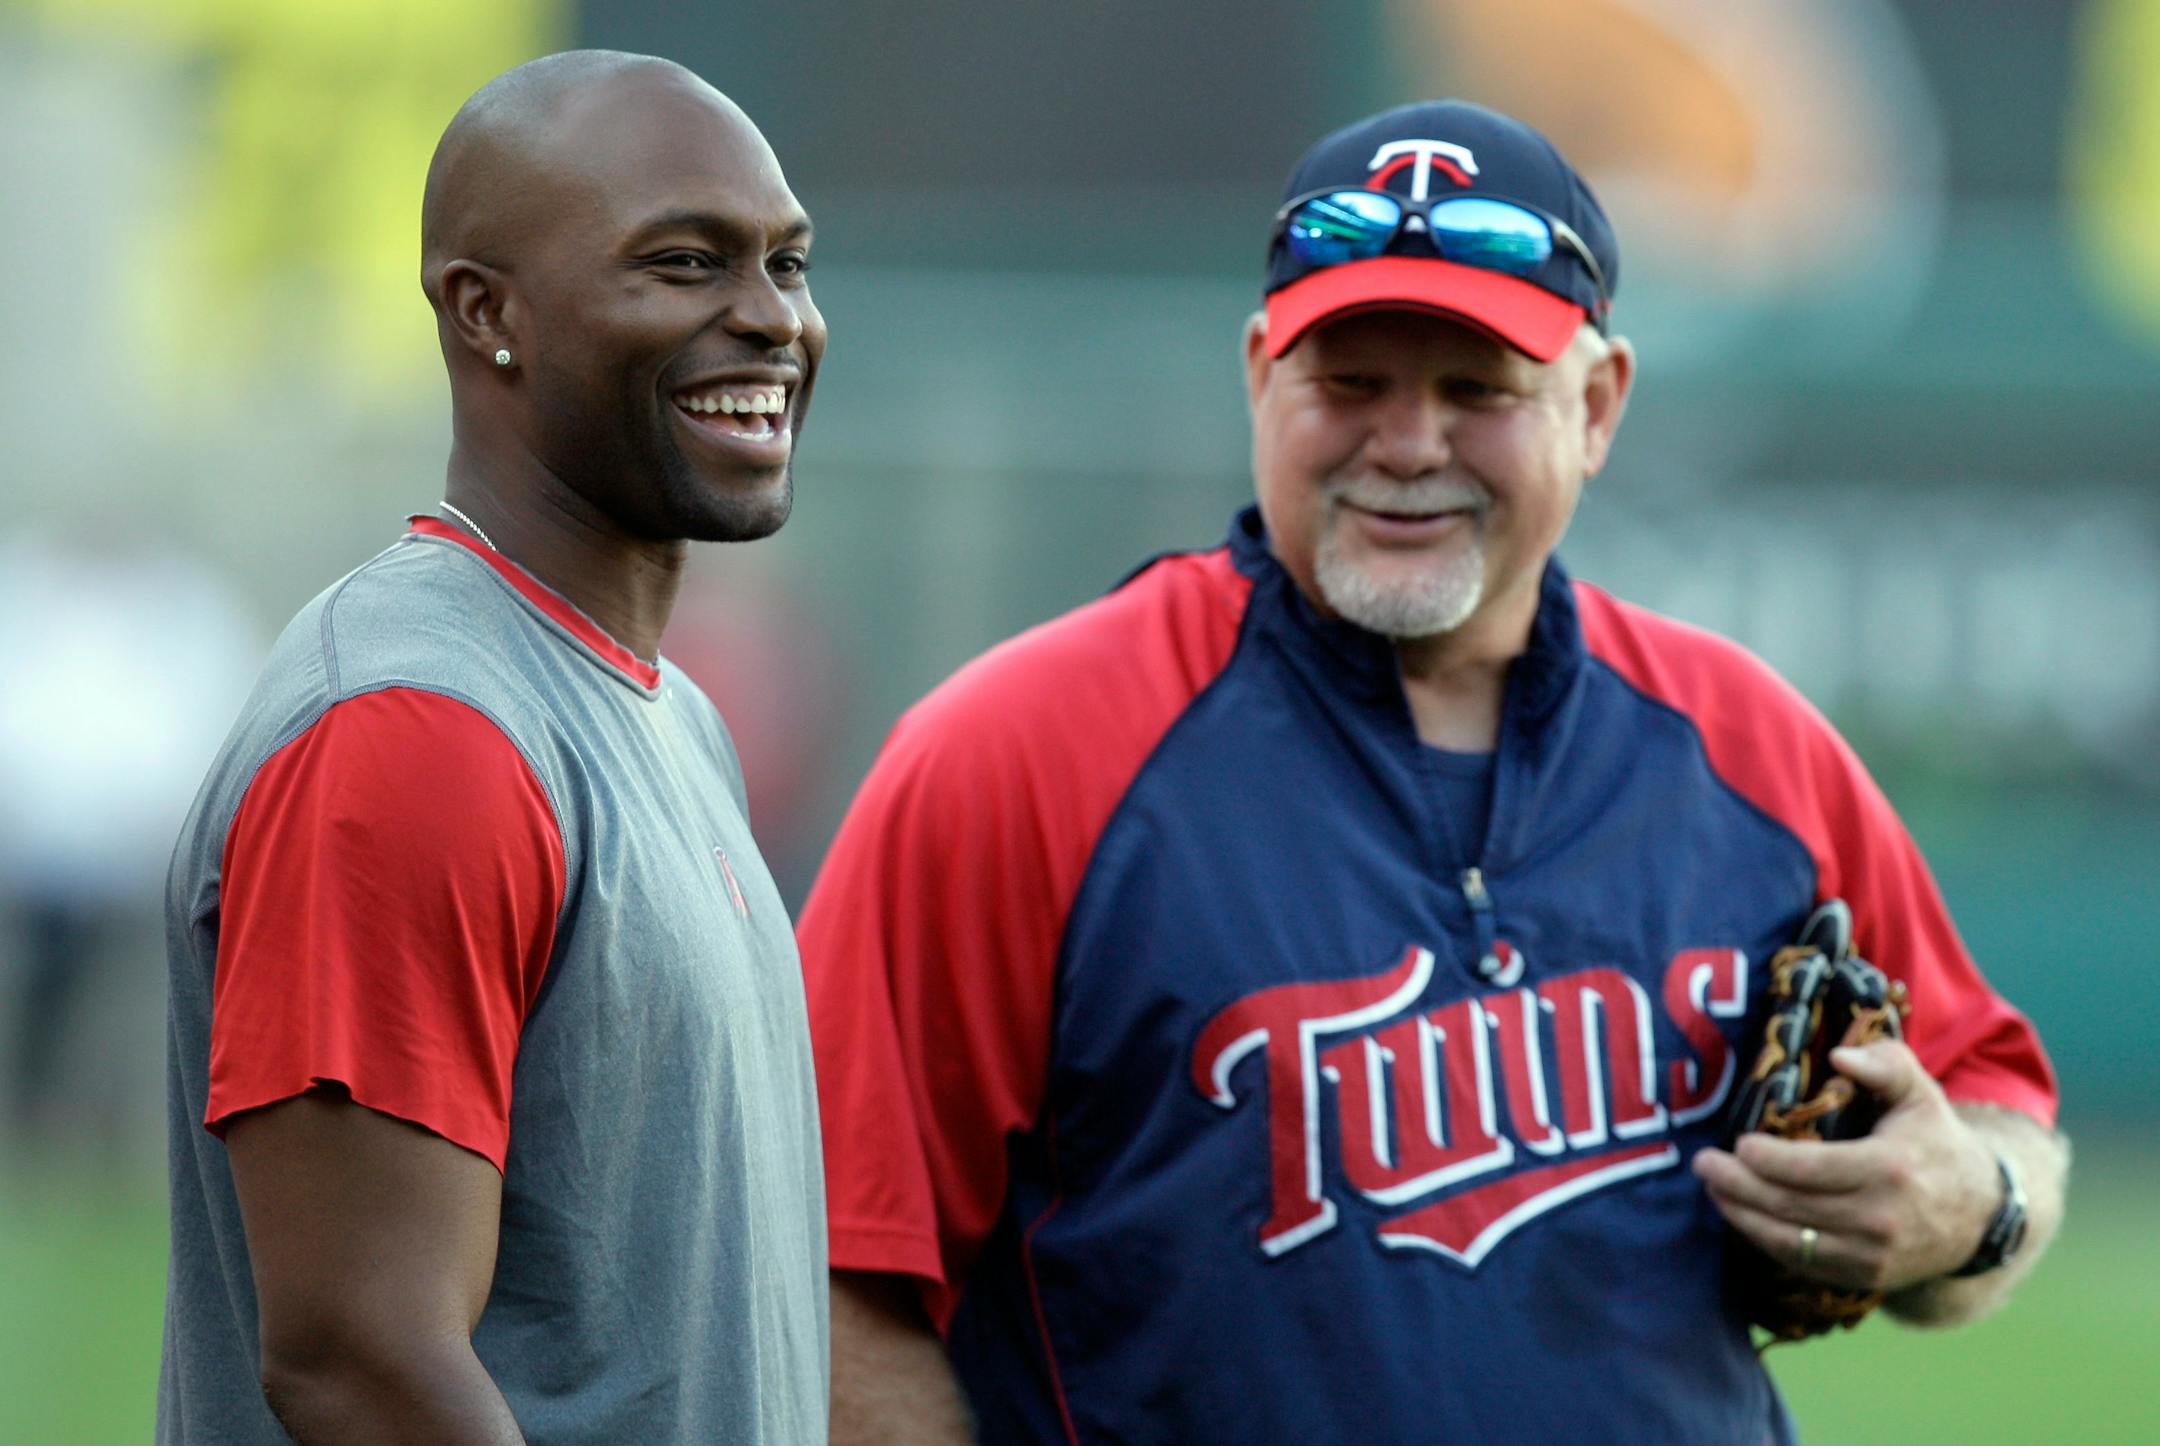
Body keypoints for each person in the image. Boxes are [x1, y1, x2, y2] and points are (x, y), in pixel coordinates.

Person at [800, 100, 2065, 1444]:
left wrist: (1972, 1208)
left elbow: (1990, 1098)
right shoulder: (1018, 756)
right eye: (1351, 381)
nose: (1408, 445)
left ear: (1596, 405)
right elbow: (826, 1275)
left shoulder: (1748, 748)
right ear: (1258, 378)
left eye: (1477, 389)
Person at [160, 51, 828, 1444]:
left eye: (789, 263)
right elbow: (363, 1361)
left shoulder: (665, 712)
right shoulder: (414, 727)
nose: (770, 319)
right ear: (489, 314)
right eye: (689, 263)